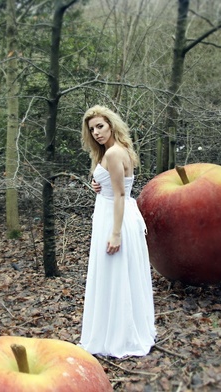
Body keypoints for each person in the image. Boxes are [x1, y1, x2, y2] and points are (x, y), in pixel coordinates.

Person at [79, 105, 156, 358]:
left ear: (111, 125)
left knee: (117, 275)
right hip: (111, 213)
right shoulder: (114, 151)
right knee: (114, 275)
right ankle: (114, 330)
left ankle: (119, 336)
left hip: (116, 218)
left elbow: (122, 193)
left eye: (100, 126)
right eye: (92, 129)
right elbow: (115, 184)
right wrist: (97, 182)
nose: (97, 132)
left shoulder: (113, 153)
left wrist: (116, 233)